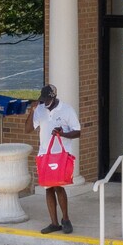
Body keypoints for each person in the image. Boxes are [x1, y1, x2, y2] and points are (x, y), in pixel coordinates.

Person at [32, 83, 82, 234]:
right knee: (48, 187)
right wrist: (32, 111)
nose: (44, 102)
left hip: (61, 154)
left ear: (53, 97)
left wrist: (62, 134)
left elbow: (77, 132)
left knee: (59, 186)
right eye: (43, 99)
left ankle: (65, 219)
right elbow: (28, 129)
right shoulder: (40, 110)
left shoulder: (67, 110)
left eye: (47, 99)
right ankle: (54, 223)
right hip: (44, 154)